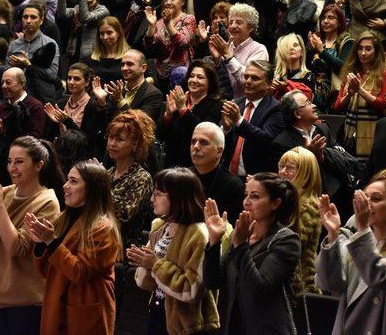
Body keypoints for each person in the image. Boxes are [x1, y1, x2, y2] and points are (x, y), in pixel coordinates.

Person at [0, 136, 61, 333]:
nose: (12, 168)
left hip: (26, 303)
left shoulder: (47, 201)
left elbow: (16, 247)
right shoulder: (2, 193)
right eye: (10, 161)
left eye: (19, 162)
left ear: (38, 165)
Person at [317, 168, 386, 335]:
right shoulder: (355, 243)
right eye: (364, 197)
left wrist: (362, 227)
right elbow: (329, 284)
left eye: (376, 199)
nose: (366, 204)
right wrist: (333, 235)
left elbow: (379, 276)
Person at [26, 160, 121, 334]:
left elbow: (80, 272)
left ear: (92, 188)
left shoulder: (103, 228)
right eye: (67, 179)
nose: (65, 186)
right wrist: (40, 243)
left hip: (84, 316)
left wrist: (51, 242)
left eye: (73, 181)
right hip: (56, 309)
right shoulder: (64, 218)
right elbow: (47, 272)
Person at [203, 172, 301, 334]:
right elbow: (213, 281)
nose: (247, 202)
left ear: (275, 203)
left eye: (255, 196)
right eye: (246, 195)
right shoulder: (240, 234)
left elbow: (258, 290)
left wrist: (241, 245)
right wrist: (214, 242)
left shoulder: (287, 240)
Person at [129, 167, 220, 334]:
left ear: (177, 197)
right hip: (158, 311)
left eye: (157, 194)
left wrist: (155, 264)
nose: (151, 199)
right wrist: (143, 262)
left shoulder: (198, 233)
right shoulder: (160, 227)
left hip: (186, 326)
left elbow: (191, 290)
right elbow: (146, 283)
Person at [333, 32, 386, 157]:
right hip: (349, 133)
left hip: (373, 132)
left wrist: (360, 90)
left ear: (376, 51)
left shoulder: (385, 73)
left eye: (368, 49)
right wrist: (349, 94)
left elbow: (384, 105)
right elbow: (337, 107)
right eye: (360, 49)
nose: (363, 53)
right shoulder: (350, 71)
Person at [222, 60, 285, 176]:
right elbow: (219, 143)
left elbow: (266, 139)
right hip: (228, 175)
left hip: (257, 178)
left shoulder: (277, 108)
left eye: (254, 78)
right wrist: (225, 129)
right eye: (246, 77)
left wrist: (239, 121)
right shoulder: (235, 104)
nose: (248, 81)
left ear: (269, 84)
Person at [0, 67, 46, 182]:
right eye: (2, 82)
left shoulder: (35, 106)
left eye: (8, 82)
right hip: (1, 162)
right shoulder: (3, 106)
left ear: (21, 83)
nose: (3, 86)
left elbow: (35, 137)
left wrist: (6, 131)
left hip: (24, 165)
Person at [105, 109, 155, 247]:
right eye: (110, 137)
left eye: (119, 139)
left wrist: (101, 185)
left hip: (126, 246)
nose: (112, 144)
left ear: (135, 144)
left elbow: (123, 215)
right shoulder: (108, 173)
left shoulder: (142, 178)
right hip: (101, 237)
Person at [160, 60, 223, 167]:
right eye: (191, 76)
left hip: (196, 166)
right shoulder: (178, 100)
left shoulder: (216, 105)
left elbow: (203, 132)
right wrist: (168, 115)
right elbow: (160, 136)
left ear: (210, 82)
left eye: (200, 77)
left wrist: (183, 110)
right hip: (171, 164)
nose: (194, 80)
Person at [278, 147, 322, 294]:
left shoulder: (308, 204)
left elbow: (291, 242)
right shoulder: (289, 199)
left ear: (306, 173)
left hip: (299, 286)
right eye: (281, 166)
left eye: (290, 168)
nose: (283, 172)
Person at [43, 63, 108, 159]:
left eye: (76, 79)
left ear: (86, 82)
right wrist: (54, 123)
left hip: (81, 158)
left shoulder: (92, 105)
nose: (71, 82)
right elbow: (52, 136)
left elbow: (86, 140)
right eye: (69, 78)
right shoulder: (61, 103)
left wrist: (66, 121)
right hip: (59, 155)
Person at [208, 3, 269, 99]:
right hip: (224, 102)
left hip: (246, 104)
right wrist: (217, 61)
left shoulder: (259, 49)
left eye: (239, 23)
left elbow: (249, 82)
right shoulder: (225, 46)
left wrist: (229, 57)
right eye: (231, 22)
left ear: (251, 28)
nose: (232, 26)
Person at [144, 0, 197, 90]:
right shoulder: (159, 22)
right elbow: (149, 48)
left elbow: (182, 42)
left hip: (181, 72)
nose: (168, 2)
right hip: (160, 72)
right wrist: (151, 26)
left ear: (182, 2)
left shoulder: (188, 19)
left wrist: (168, 24)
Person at [190, 122, 244, 224]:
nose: (196, 147)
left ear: (219, 151)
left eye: (203, 142)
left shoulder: (234, 186)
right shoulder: (183, 177)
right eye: (193, 141)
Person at [270, 89, 336, 168]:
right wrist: (309, 155)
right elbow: (289, 175)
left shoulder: (324, 128)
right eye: (308, 103)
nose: (314, 105)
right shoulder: (282, 144)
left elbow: (339, 156)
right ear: (297, 114)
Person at [8, 4, 60, 103]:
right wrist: (15, 67)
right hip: (16, 97)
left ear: (41, 20)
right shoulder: (14, 45)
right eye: (25, 17)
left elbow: (52, 75)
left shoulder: (49, 44)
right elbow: (7, 72)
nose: (28, 21)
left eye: (33, 17)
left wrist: (28, 65)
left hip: (40, 97)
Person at [57, 0, 110, 64]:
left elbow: (86, 18)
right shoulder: (77, 8)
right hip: (73, 52)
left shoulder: (103, 10)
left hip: (91, 56)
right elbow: (62, 15)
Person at [307, 4, 354, 101]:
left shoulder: (347, 42)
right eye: (323, 18)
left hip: (334, 93)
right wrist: (310, 50)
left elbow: (343, 67)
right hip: (313, 90)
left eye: (331, 18)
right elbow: (308, 67)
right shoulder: (318, 40)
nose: (325, 21)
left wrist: (322, 51)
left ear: (340, 22)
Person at [102, 49, 164, 122]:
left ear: (143, 68)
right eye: (122, 64)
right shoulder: (118, 90)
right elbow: (106, 121)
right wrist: (101, 102)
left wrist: (120, 101)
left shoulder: (153, 94)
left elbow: (141, 123)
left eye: (130, 64)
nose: (124, 68)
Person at [85, 16, 128, 85]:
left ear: (118, 33)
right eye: (102, 34)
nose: (105, 37)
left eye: (109, 33)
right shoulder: (91, 59)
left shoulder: (129, 56)